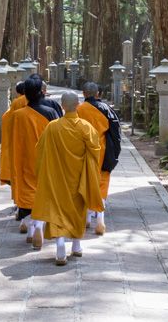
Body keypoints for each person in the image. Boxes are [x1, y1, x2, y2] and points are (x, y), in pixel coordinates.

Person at [32, 91, 104, 266]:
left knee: (58, 211)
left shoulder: (52, 127)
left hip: (57, 179)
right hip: (79, 179)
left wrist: (45, 170)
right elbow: (96, 151)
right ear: (78, 105)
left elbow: (40, 151)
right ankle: (77, 246)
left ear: (62, 106)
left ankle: (60, 246)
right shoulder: (86, 127)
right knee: (78, 211)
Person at [7, 75, 60, 247]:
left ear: (26, 95)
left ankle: (31, 228)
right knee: (44, 193)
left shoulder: (18, 115)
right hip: (45, 160)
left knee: (28, 195)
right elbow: (57, 139)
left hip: (24, 161)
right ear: (41, 93)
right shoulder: (51, 113)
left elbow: (12, 142)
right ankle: (39, 225)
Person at [75, 82, 121, 235]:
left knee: (84, 182)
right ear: (98, 94)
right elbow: (116, 135)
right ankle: (100, 219)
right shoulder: (107, 110)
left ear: (83, 93)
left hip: (82, 152)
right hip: (102, 151)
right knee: (101, 181)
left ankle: (86, 218)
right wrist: (115, 154)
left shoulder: (78, 109)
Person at [0, 81, 29, 232]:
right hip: (31, 143)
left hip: (18, 142)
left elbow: (9, 119)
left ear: (17, 92)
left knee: (18, 176)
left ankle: (21, 207)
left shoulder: (17, 103)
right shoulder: (29, 101)